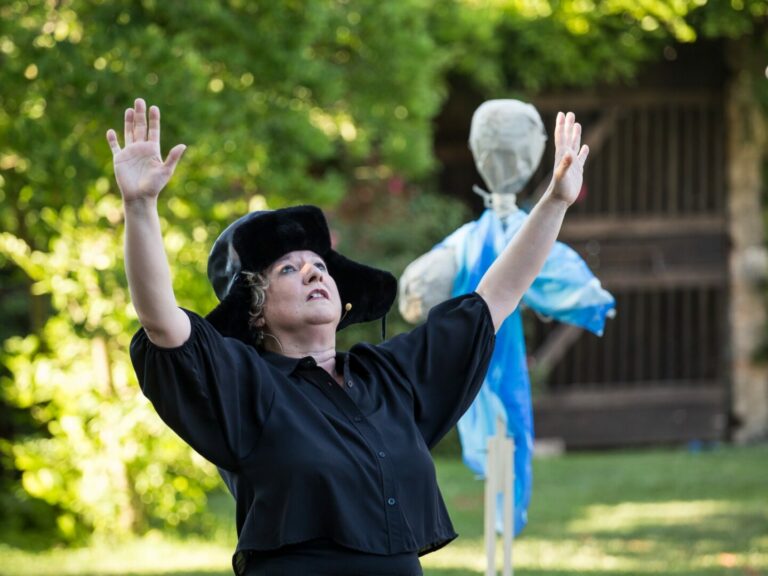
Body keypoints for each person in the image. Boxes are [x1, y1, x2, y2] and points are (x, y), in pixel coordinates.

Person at [106, 97, 590, 576]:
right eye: (289, 269)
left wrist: (555, 202)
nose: (314, 274)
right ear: (256, 309)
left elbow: (496, 297)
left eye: (320, 266)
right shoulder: (246, 383)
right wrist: (141, 206)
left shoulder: (389, 378)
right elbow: (161, 321)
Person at [398, 99, 615, 535]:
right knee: (503, 439)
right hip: (474, 365)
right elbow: (585, 293)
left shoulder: (467, 245)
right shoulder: (510, 246)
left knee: (504, 443)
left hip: (482, 362)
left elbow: (413, 296)